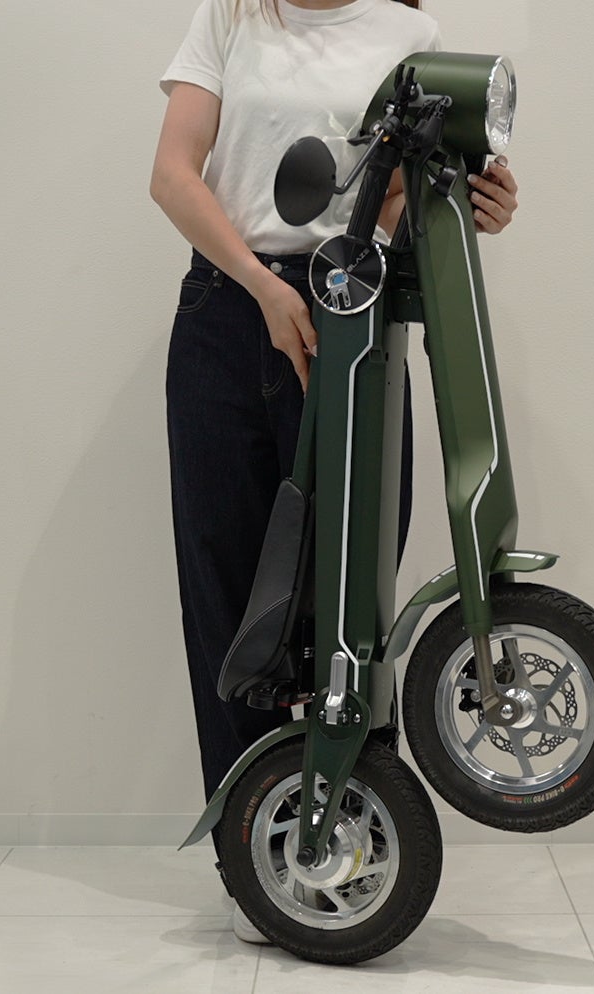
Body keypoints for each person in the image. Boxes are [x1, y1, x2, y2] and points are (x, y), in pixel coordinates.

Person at [150, 0, 519, 942]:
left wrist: (479, 203)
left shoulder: (409, 38)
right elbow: (173, 175)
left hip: (352, 314)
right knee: (230, 595)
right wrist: (263, 288)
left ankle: (350, 842)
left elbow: (408, 193)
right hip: (229, 313)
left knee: (350, 596)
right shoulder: (232, 15)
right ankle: (254, 862)